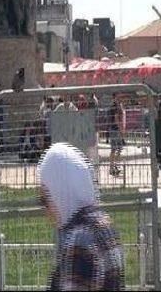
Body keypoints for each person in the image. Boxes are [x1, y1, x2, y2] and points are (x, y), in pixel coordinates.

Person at [38, 143, 125, 291]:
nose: (47, 212)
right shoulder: (103, 224)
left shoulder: (79, 240)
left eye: (45, 199)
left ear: (61, 192)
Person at [107, 98, 124, 177]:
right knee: (117, 149)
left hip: (112, 129)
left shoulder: (112, 107)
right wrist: (121, 130)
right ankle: (115, 167)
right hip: (116, 130)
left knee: (115, 149)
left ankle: (113, 167)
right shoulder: (116, 108)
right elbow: (117, 119)